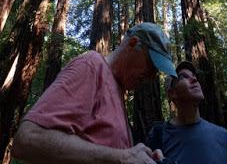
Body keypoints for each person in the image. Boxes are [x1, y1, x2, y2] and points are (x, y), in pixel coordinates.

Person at [12, 22, 177, 164]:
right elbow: (27, 139)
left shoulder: (118, 92)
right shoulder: (91, 65)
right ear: (133, 44)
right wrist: (122, 157)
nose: (151, 77)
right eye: (152, 65)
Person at [147, 61, 227, 164]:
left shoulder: (223, 136)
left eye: (194, 76)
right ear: (172, 93)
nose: (194, 79)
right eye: (183, 77)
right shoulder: (158, 136)